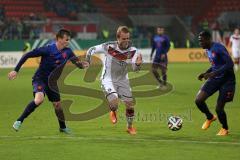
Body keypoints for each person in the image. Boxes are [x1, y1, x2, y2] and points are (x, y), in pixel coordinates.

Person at [8, 29, 89, 134]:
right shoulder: (47, 49)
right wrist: (16, 70)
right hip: (40, 79)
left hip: (53, 82)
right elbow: (27, 55)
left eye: (69, 39)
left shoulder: (68, 52)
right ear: (59, 39)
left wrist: (83, 65)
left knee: (58, 106)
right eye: (66, 39)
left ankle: (63, 128)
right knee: (39, 100)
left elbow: (77, 63)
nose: (68, 41)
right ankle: (19, 121)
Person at [85, 26, 142, 135]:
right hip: (108, 79)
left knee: (130, 105)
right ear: (118, 38)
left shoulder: (133, 50)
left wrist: (138, 64)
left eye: (127, 38)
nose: (126, 41)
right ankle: (113, 110)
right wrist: (88, 60)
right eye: (123, 39)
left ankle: (129, 127)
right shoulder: (109, 46)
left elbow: (135, 69)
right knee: (114, 103)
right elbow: (91, 49)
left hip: (123, 80)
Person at [195, 31, 235, 136]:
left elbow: (230, 64)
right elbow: (215, 65)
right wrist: (206, 73)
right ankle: (210, 117)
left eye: (201, 41)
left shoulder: (219, 48)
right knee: (199, 100)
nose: (200, 43)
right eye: (199, 41)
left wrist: (213, 73)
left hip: (227, 80)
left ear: (208, 39)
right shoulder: (208, 49)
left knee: (219, 108)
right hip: (215, 79)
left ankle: (225, 128)